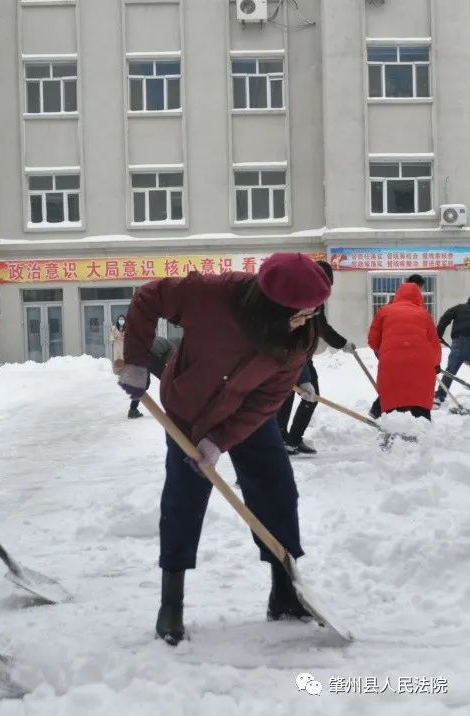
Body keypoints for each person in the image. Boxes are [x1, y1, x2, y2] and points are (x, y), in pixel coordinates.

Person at [118, 253, 331, 645]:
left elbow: (269, 398)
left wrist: (220, 441)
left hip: (246, 412)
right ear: (271, 303)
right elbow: (148, 297)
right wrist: (135, 361)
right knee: (184, 497)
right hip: (189, 409)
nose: (307, 319)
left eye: (312, 312)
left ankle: (284, 590)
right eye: (300, 312)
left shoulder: (298, 336)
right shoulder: (211, 295)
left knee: (277, 489)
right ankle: (172, 602)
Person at [276, 260, 355, 455]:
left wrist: (342, 343)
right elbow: (291, 340)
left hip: (302, 357)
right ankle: (284, 440)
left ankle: (289, 439)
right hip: (291, 357)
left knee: (300, 396)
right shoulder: (299, 298)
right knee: (299, 397)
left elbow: (322, 328)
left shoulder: (314, 299)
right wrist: (303, 377)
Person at [367, 281, 440, 421]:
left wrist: (385, 352)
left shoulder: (384, 311)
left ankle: (393, 435)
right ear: (419, 297)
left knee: (393, 402)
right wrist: (435, 365)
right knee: (419, 401)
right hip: (421, 365)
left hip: (391, 363)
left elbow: (373, 341)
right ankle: (423, 434)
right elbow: (434, 344)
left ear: (397, 295)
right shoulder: (424, 314)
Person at [434, 296, 470, 407]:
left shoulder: (459, 308)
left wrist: (438, 334)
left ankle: (440, 395)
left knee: (451, 370)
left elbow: (445, 318)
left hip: (460, 342)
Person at [111, 315, 142, 418]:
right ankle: (119, 372)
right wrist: (115, 337)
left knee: (125, 360)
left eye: (122, 320)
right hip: (117, 347)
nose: (121, 321)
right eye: (120, 319)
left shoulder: (128, 328)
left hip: (124, 347)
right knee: (118, 359)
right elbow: (111, 338)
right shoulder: (114, 328)